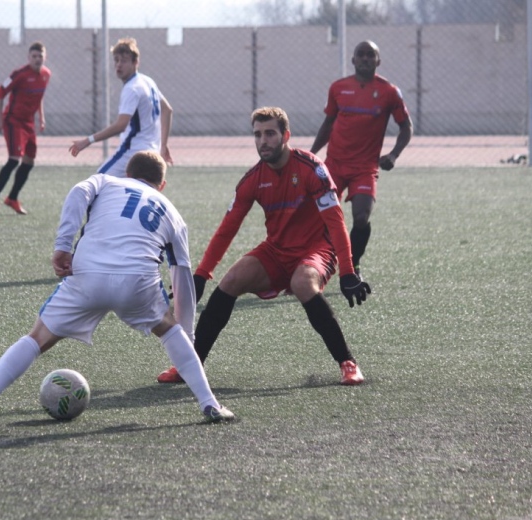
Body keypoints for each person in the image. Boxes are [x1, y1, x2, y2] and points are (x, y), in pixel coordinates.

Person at [0, 151, 234, 428]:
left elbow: (79, 192)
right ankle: (209, 405)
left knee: (37, 338)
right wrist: (186, 335)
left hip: (88, 272)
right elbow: (181, 276)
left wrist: (63, 246)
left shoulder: (107, 181)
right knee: (170, 331)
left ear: (127, 173)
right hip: (137, 281)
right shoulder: (173, 213)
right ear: (162, 184)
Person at [156, 107, 371, 386]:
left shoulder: (312, 169)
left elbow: (336, 222)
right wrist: (201, 275)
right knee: (231, 280)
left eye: (270, 133)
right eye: (257, 134)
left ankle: (348, 363)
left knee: (303, 283)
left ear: (286, 136)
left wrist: (348, 271)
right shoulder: (252, 180)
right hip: (276, 250)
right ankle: (190, 366)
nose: (263, 141)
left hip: (316, 250)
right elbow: (226, 231)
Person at [310, 40, 413, 279]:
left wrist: (394, 155)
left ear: (378, 61)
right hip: (334, 164)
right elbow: (328, 124)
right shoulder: (338, 88)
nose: (365, 58)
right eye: (361, 54)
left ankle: (353, 264)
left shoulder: (389, 92)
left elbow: (406, 127)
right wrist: (313, 154)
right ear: (353, 60)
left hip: (365, 169)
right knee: (320, 218)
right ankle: (313, 264)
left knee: (361, 218)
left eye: (370, 55)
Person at [69, 37, 173, 176]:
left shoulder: (132, 88)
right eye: (116, 60)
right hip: (151, 153)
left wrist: (88, 141)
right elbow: (167, 110)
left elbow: (121, 125)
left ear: (136, 62)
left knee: (98, 185)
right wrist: (163, 146)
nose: (118, 65)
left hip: (131, 153)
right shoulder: (147, 81)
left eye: (124, 61)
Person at [0, 41, 51, 216]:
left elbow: (39, 97)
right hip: (12, 120)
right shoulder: (19, 74)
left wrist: (41, 117)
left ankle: (12, 198)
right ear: (28, 58)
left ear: (45, 57)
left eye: (40, 56)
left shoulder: (46, 75)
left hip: (29, 123)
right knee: (14, 159)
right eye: (34, 56)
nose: (37, 59)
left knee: (29, 161)